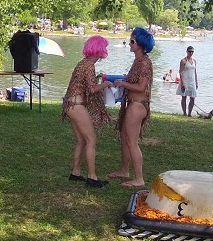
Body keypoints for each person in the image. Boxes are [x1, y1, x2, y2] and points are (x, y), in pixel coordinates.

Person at [61, 36, 114, 188]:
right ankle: (92, 177)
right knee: (91, 140)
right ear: (99, 50)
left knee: (81, 140)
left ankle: (75, 173)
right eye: (104, 48)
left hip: (69, 104)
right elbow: (91, 89)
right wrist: (105, 84)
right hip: (77, 106)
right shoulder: (89, 66)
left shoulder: (82, 63)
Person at [108, 27, 154, 189]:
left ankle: (139, 178)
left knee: (132, 141)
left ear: (140, 43)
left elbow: (141, 87)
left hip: (138, 106)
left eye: (132, 41)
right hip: (132, 104)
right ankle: (124, 170)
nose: (129, 43)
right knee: (124, 137)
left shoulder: (145, 63)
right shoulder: (138, 61)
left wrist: (122, 83)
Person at [177, 46, 199, 116]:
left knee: (192, 98)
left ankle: (189, 113)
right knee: (184, 97)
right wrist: (182, 83)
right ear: (187, 52)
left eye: (192, 51)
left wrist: (196, 82)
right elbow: (180, 72)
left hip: (192, 81)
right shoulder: (183, 61)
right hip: (185, 81)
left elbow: (195, 72)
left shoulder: (194, 61)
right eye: (189, 51)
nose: (191, 53)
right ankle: (184, 113)